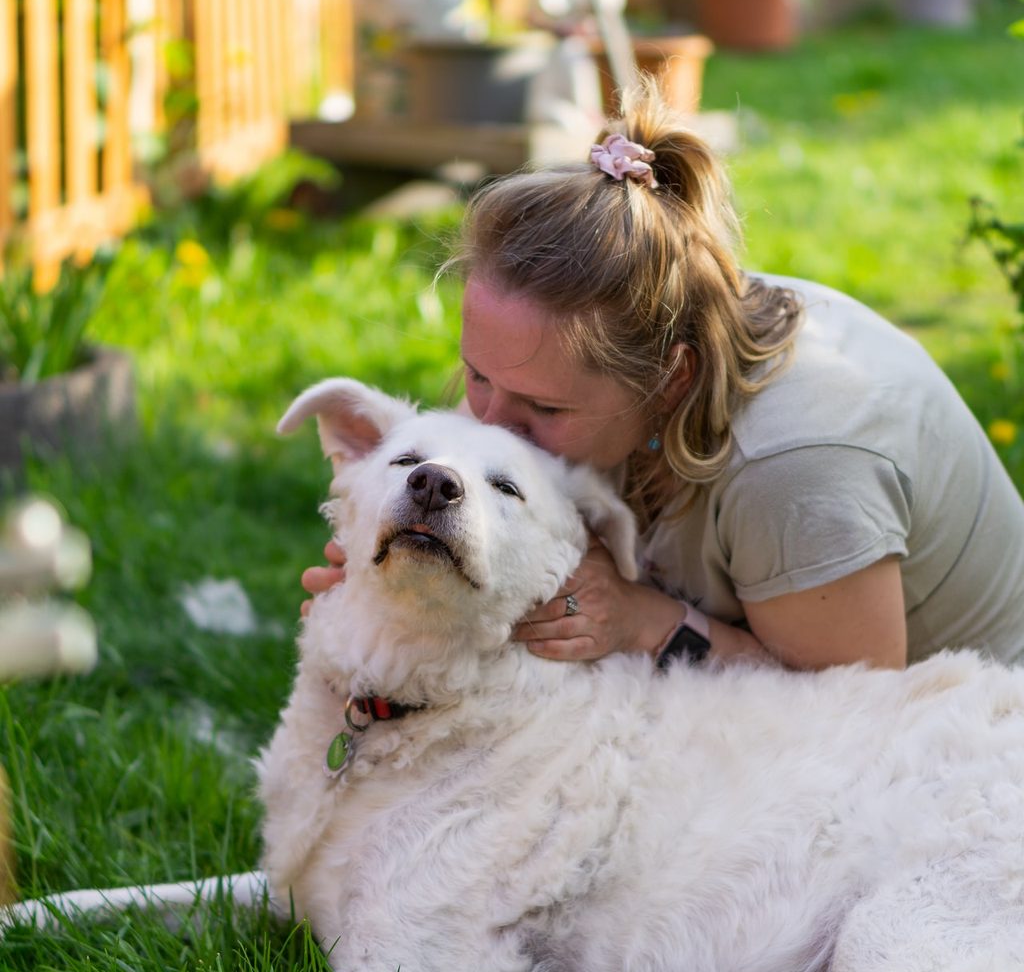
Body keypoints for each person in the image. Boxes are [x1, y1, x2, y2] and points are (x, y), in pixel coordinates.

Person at [303, 80, 1024, 672]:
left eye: (543, 409)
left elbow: (851, 715)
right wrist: (399, 570)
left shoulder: (794, 466)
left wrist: (644, 620)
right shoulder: (607, 328)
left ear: (671, 381)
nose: (483, 425)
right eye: (477, 376)